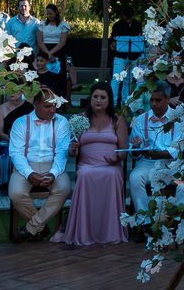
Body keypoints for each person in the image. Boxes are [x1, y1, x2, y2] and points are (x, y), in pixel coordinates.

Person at [52, 83, 128, 245]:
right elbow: (73, 153)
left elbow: (123, 150)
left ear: (109, 100)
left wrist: (117, 159)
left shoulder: (117, 119)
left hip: (111, 166)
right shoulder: (81, 119)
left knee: (112, 175)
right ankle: (84, 231)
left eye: (103, 97)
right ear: (90, 98)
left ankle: (109, 232)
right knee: (86, 174)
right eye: (95, 97)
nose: (98, 100)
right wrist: (73, 148)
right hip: (87, 165)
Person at [8, 89, 72, 241]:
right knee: (15, 193)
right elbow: (16, 153)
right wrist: (29, 173)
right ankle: (40, 228)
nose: (53, 110)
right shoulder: (20, 122)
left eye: (54, 106)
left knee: (64, 189)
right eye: (47, 106)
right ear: (35, 104)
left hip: (53, 164)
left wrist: (54, 173)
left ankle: (31, 228)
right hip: (26, 164)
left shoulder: (62, 122)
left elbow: (62, 152)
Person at [129, 81, 182, 216]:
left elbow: (177, 150)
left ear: (168, 99)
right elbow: (133, 152)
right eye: (151, 100)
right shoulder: (141, 119)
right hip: (147, 163)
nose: (153, 104)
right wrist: (135, 146)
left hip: (172, 164)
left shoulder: (178, 119)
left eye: (158, 100)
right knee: (135, 177)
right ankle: (143, 220)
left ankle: (179, 221)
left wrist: (154, 153)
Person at [109, 5, 143, 104]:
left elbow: (139, 40)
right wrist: (115, 44)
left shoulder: (137, 25)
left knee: (128, 81)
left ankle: (125, 102)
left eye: (130, 17)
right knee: (116, 79)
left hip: (133, 57)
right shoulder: (117, 25)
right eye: (126, 17)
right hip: (120, 57)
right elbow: (113, 42)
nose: (128, 20)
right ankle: (113, 103)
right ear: (123, 16)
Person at [37, 4, 70, 74]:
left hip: (58, 51)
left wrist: (50, 53)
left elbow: (62, 42)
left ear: (56, 12)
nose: (48, 16)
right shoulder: (42, 24)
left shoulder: (63, 25)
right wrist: (48, 54)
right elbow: (39, 41)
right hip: (44, 50)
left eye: (50, 14)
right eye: (47, 14)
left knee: (58, 74)